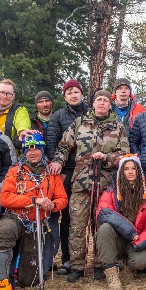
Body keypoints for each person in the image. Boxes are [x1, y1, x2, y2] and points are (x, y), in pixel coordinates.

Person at [52, 90, 130, 282]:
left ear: (109, 104)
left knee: (101, 226)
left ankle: (100, 265)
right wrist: (58, 161)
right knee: (77, 225)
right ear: (93, 103)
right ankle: (77, 266)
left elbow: (125, 154)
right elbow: (64, 145)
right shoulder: (80, 122)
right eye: (98, 100)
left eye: (105, 100)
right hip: (81, 182)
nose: (101, 103)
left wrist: (108, 158)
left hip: (105, 185)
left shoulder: (118, 126)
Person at [0, 134, 68, 290]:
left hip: (40, 222)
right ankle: (3, 285)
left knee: (28, 280)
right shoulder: (15, 172)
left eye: (36, 148)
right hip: (17, 216)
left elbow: (62, 199)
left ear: (41, 150)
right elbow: (5, 198)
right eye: (29, 149)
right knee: (5, 232)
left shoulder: (51, 173)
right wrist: (33, 201)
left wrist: (52, 205)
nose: (33, 152)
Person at [95, 155, 146, 290]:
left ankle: (129, 266)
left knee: (142, 262)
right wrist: (129, 232)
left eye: (133, 168)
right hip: (117, 239)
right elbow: (104, 212)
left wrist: (138, 241)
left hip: (135, 241)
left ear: (138, 171)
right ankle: (111, 273)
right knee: (105, 228)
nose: (130, 172)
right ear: (121, 172)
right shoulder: (111, 191)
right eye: (126, 169)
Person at [46, 79, 88, 275]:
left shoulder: (90, 113)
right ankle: (68, 259)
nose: (73, 95)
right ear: (64, 96)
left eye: (76, 92)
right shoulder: (58, 117)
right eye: (69, 92)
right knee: (69, 217)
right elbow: (52, 142)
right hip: (66, 171)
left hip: (88, 170)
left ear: (82, 94)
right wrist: (58, 167)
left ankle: (90, 258)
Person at [0, 79, 32, 150]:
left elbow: (22, 122)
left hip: (9, 156)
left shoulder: (19, 110)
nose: (5, 96)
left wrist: (22, 131)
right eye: (1, 92)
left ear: (13, 96)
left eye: (9, 94)